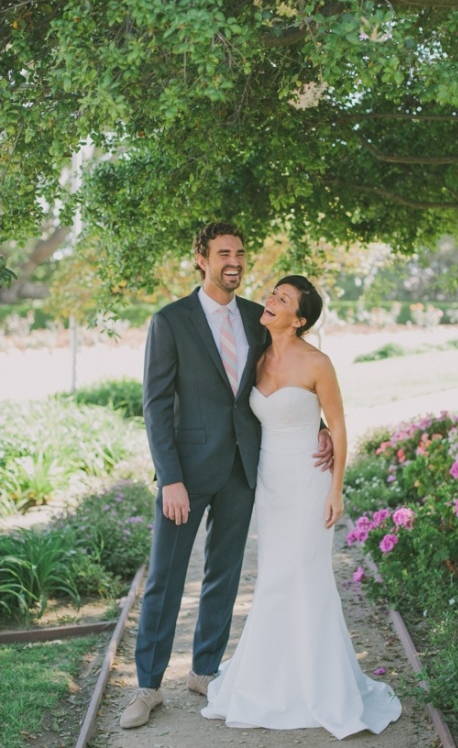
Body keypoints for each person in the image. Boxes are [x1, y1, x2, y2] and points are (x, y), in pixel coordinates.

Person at [120, 224, 333, 729]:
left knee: (224, 574)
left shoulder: (256, 319)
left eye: (239, 252)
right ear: (201, 258)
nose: (234, 261)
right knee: (165, 578)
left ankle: (205, 669)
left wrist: (319, 426)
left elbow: (283, 375)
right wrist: (169, 476)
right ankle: (147, 686)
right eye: (223, 253)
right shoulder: (170, 321)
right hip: (186, 474)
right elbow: (154, 405)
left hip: (242, 468)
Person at [201, 275, 403, 739]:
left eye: (283, 299)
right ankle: (269, 680)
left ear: (301, 319)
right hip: (269, 483)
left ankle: (320, 687)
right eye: (273, 293)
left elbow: (340, 426)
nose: (270, 300)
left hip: (310, 482)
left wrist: (337, 489)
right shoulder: (255, 354)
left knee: (307, 576)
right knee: (274, 577)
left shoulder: (318, 362)